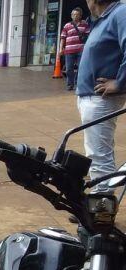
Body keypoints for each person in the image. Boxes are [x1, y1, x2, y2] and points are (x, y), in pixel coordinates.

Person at [76, 0, 126, 191]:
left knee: (99, 155)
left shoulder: (120, 13)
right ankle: (99, 203)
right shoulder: (104, 18)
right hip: (92, 98)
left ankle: (101, 209)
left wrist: (120, 82)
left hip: (101, 99)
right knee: (97, 153)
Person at [60, 8, 90, 91]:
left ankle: (77, 82)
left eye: (77, 14)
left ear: (80, 16)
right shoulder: (67, 25)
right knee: (69, 68)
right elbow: (63, 38)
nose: (75, 16)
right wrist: (61, 49)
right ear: (71, 15)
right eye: (73, 14)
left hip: (81, 50)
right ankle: (70, 84)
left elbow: (88, 36)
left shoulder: (85, 25)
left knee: (81, 67)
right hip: (69, 50)